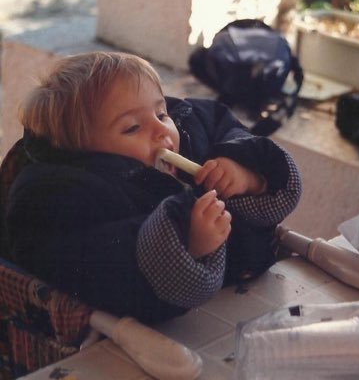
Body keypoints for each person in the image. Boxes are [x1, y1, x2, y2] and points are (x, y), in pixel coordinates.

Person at [5, 52, 302, 324]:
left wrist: (247, 173)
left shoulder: (188, 126)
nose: (161, 130)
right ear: (82, 151)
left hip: (253, 300)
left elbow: (225, 128)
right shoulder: (58, 196)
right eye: (132, 128)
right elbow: (99, 267)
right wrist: (186, 243)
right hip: (143, 340)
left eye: (160, 114)